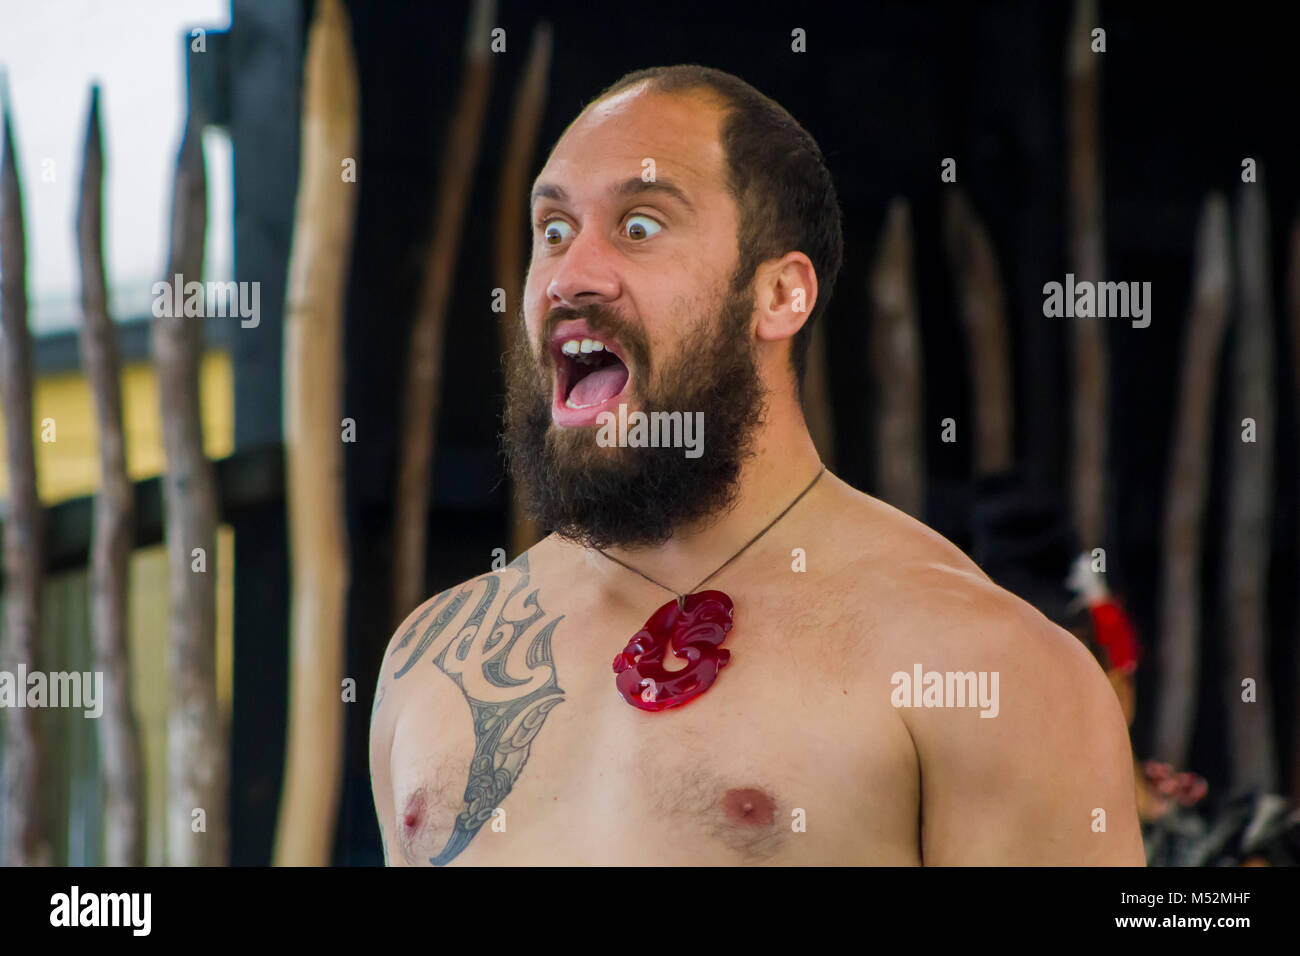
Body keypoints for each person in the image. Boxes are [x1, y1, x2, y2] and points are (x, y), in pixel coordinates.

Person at [369, 64, 1146, 866]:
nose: (571, 277)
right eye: (554, 231)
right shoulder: (429, 657)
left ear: (780, 295)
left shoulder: (984, 668)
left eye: (639, 226)